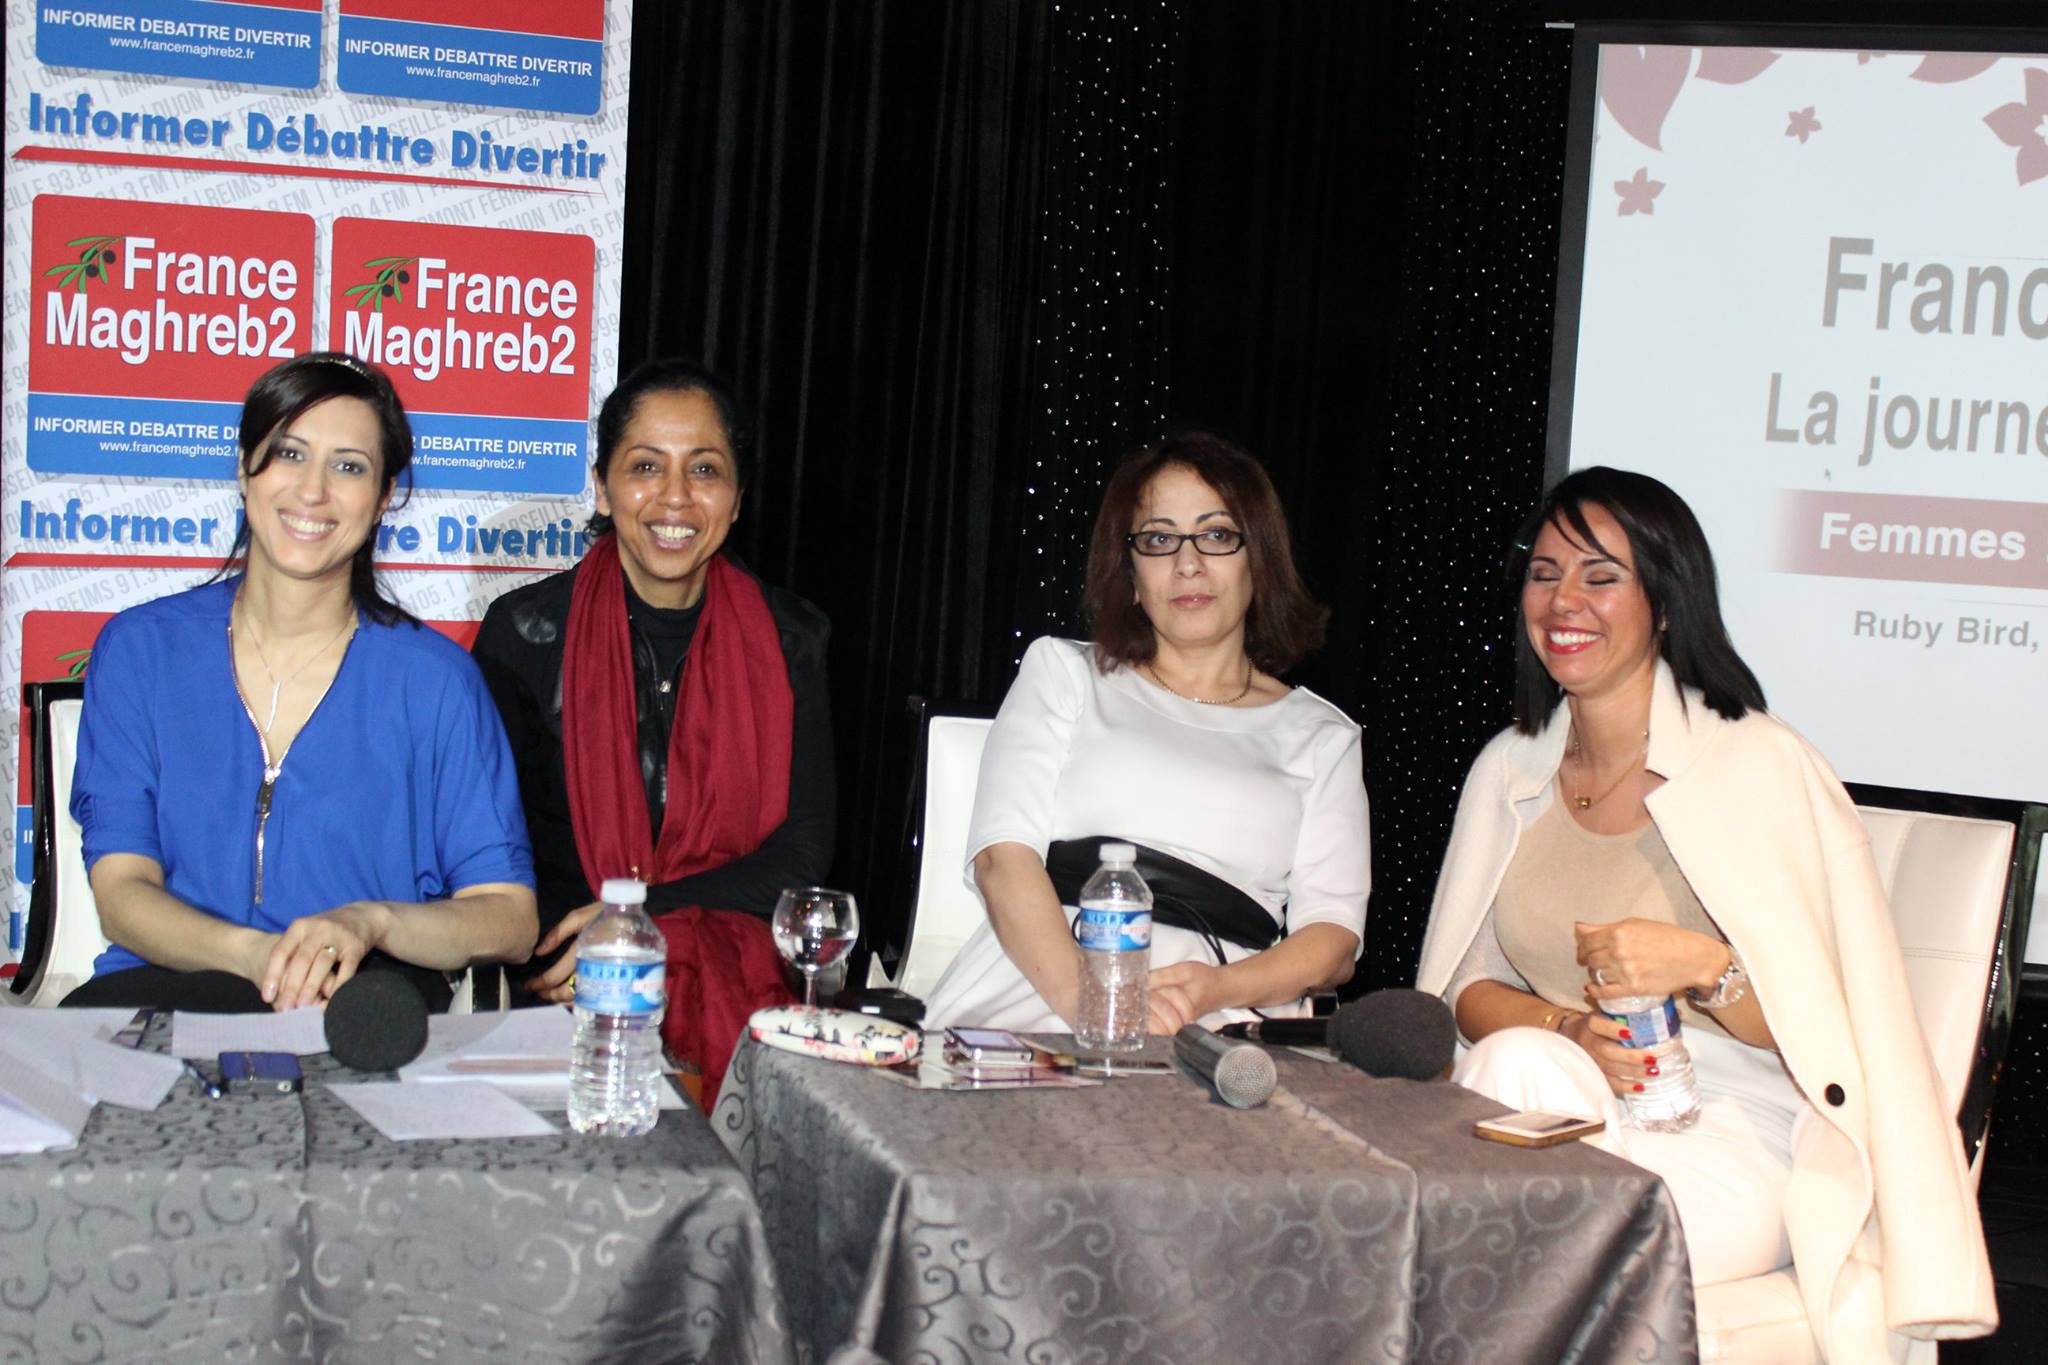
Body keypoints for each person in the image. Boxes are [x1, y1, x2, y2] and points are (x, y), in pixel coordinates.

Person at [1413, 467, 1994, 1360]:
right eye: (1544, 572)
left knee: (1530, 1214)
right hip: (1573, 1100)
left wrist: (1702, 967)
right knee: (1516, 1061)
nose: (1563, 600)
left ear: (1665, 601)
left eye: (1601, 576)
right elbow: (1464, 987)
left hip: (1735, 1128)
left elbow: (1832, 1027)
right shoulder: (1508, 767)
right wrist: (1570, 1027)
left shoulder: (1759, 762)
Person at [65, 352, 538, 1014]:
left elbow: (510, 918)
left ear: (384, 496)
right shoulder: (140, 650)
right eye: (289, 453)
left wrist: (373, 923)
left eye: (349, 466)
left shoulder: (436, 680)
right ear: (244, 468)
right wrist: (256, 956)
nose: (313, 491)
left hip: (364, 1006)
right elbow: (121, 893)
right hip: (166, 991)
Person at [471, 358, 832, 1102]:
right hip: (563, 993)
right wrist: (575, 957)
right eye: (645, 466)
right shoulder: (524, 632)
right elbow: (489, 851)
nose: (675, 496)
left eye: (704, 468)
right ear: (602, 488)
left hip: (737, 989)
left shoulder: (792, 637)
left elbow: (801, 855)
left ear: (737, 497)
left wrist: (635, 924)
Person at [924, 432, 1368, 1036]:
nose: (1188, 563)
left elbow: (1333, 941)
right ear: (1131, 575)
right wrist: (1096, 1005)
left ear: (1259, 562)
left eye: (1217, 535)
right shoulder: (1064, 672)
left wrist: (1210, 991)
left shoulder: (1322, 735)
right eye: (1159, 539)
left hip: (1223, 1008)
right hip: (1048, 987)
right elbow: (1003, 860)